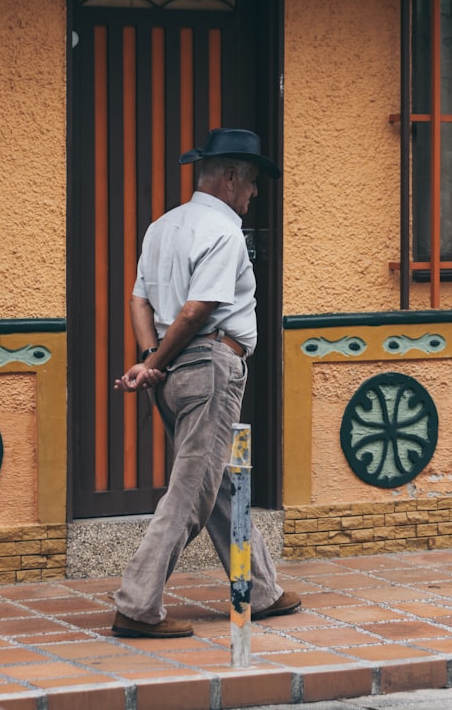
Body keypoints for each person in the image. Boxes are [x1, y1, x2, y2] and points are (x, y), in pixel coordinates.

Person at [110, 128, 300, 638]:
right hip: (210, 366)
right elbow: (197, 311)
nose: (255, 192)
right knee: (192, 491)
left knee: (214, 482)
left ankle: (260, 589)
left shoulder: (162, 226)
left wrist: (151, 360)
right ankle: (137, 603)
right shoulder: (224, 232)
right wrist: (158, 359)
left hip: (175, 373)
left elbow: (139, 301)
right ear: (232, 177)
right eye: (253, 182)